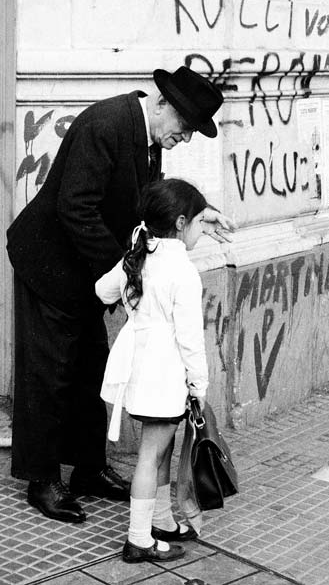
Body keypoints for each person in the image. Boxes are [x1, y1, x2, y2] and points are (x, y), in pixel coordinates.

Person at [6, 66, 233, 524]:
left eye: (192, 131)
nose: (185, 138)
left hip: (85, 274)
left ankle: (88, 470)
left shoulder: (148, 138)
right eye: (185, 126)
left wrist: (196, 211)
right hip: (48, 266)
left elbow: (145, 206)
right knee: (47, 373)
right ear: (163, 104)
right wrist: (127, 271)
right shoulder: (107, 124)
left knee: (90, 366)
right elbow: (76, 207)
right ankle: (42, 478)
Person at [95, 178, 209, 564]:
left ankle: (160, 521)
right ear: (180, 223)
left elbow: (102, 291)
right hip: (165, 373)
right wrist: (199, 385)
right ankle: (139, 539)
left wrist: (135, 307)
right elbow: (191, 340)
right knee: (150, 454)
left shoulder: (140, 257)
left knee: (161, 450)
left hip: (139, 366)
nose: (201, 231)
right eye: (200, 222)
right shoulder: (183, 271)